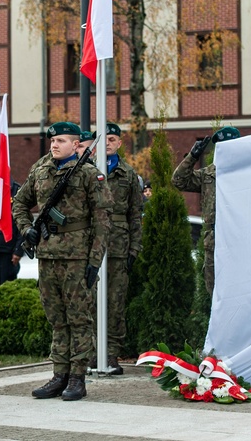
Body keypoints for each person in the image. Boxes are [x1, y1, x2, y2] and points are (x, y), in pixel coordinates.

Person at [13, 122, 111, 401]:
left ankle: (78, 377)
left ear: (77, 145)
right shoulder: (40, 169)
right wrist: (25, 228)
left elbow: (102, 221)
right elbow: (19, 203)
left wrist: (95, 261)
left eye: (61, 141)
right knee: (56, 319)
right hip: (47, 255)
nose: (55, 145)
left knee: (79, 319)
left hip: (77, 257)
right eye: (53, 140)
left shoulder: (90, 175)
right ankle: (59, 375)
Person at [95, 123, 142, 375]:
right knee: (89, 301)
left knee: (115, 301)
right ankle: (92, 352)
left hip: (118, 246)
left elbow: (136, 213)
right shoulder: (86, 170)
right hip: (90, 247)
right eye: (104, 140)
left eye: (112, 139)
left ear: (119, 143)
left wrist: (134, 248)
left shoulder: (128, 174)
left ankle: (111, 353)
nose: (108, 144)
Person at [172, 126, 240, 294]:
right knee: (215, 293)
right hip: (214, 243)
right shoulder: (209, 175)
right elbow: (179, 180)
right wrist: (193, 156)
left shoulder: (247, 173)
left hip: (239, 241)